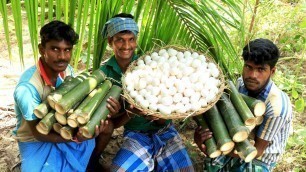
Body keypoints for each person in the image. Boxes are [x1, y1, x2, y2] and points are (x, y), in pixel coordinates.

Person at [87, 13, 195, 172]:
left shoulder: (148, 64)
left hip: (165, 132)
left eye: (131, 39)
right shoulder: (104, 75)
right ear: (110, 41)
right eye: (120, 40)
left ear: (136, 40)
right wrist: (127, 112)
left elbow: (167, 109)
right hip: (135, 135)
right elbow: (113, 124)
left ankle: (157, 160)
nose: (126, 46)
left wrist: (158, 117)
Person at [13, 20, 104, 172]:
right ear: (42, 49)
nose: (62, 56)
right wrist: (74, 138)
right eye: (55, 49)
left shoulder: (67, 70)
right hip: (35, 140)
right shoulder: (27, 89)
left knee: (89, 142)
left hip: (62, 128)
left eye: (67, 50)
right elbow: (38, 133)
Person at [194, 38, 293, 171]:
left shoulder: (277, 107)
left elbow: (257, 151)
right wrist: (203, 139)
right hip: (235, 140)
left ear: (272, 71)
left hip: (258, 158)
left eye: (261, 69)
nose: (252, 75)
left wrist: (218, 148)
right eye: (248, 67)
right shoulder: (240, 83)